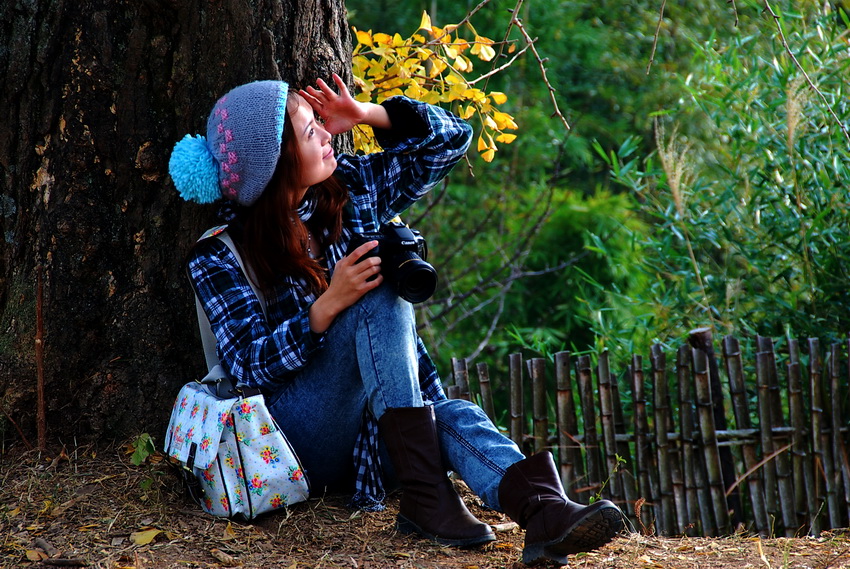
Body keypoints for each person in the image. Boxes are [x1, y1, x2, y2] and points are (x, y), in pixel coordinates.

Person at [168, 74, 624, 565]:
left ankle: (544, 515)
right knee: (375, 293)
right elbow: (245, 366)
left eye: (321, 124)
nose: (327, 135)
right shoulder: (220, 254)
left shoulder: (350, 190)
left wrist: (368, 113)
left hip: (372, 444)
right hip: (290, 442)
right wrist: (324, 309)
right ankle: (428, 499)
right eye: (309, 132)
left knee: (454, 414)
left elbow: (452, 141)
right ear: (274, 163)